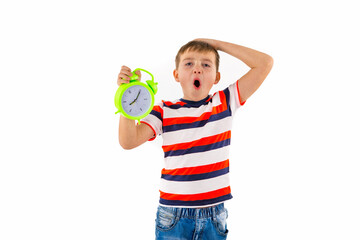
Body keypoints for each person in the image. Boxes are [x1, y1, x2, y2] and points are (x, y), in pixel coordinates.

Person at [117, 39, 273, 239]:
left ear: (217, 77)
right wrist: (128, 96)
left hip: (214, 215)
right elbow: (128, 141)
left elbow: (265, 63)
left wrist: (216, 44)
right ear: (176, 75)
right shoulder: (163, 111)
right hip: (173, 216)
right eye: (189, 63)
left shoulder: (225, 102)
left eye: (206, 64)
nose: (197, 69)